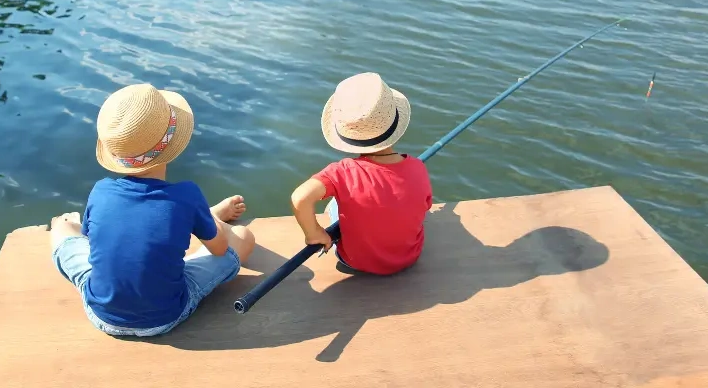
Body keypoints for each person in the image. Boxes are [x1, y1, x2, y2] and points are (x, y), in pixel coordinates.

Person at [49, 83, 255, 337]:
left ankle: (204, 219)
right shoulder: (187, 195)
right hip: (165, 316)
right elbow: (220, 249)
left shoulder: (100, 191)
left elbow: (92, 242)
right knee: (244, 238)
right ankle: (208, 218)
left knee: (63, 226)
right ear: (171, 146)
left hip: (100, 313)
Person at [290, 72, 432, 275]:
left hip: (354, 262)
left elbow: (300, 198)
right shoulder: (418, 167)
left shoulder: (341, 172)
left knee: (334, 203)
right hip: (409, 257)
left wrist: (315, 234)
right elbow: (424, 206)